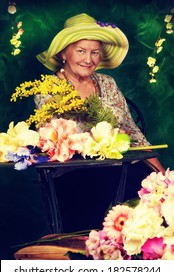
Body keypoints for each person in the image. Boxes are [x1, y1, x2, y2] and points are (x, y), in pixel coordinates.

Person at [35, 13, 166, 232]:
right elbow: (52, 142)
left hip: (117, 169)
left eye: (95, 52)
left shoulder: (108, 83)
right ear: (63, 54)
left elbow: (133, 133)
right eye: (81, 51)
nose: (89, 59)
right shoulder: (47, 88)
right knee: (92, 209)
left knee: (154, 192)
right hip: (72, 173)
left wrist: (162, 177)